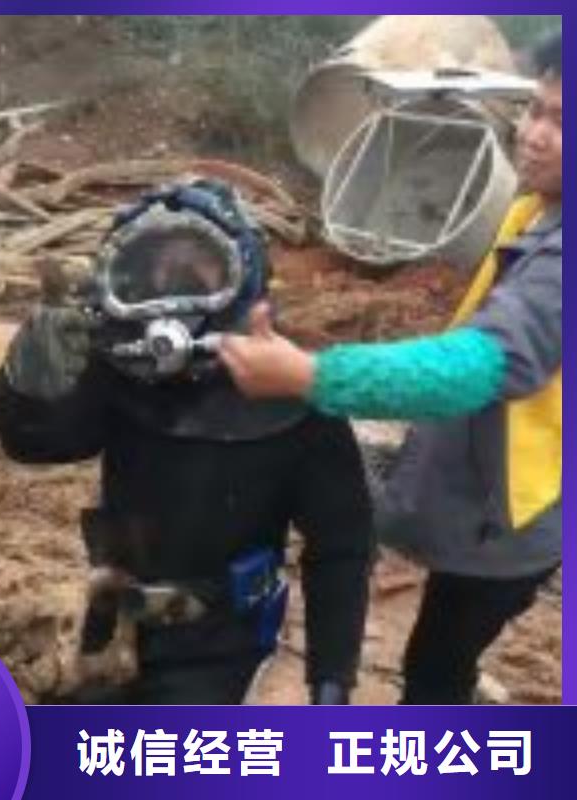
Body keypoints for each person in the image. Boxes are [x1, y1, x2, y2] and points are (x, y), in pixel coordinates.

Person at [219, 31, 562, 705]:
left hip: (516, 512)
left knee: (434, 665)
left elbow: (478, 365)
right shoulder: (534, 208)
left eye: (563, 123)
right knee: (447, 636)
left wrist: (312, 376)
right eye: (537, 110)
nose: (535, 135)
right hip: (492, 478)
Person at [0, 179, 373, 704]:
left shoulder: (291, 390)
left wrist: (331, 683)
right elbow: (38, 444)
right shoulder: (120, 367)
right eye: (158, 265)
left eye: (198, 264)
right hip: (113, 624)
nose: (174, 283)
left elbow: (342, 547)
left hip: (224, 645)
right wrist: (30, 379)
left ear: (244, 276)